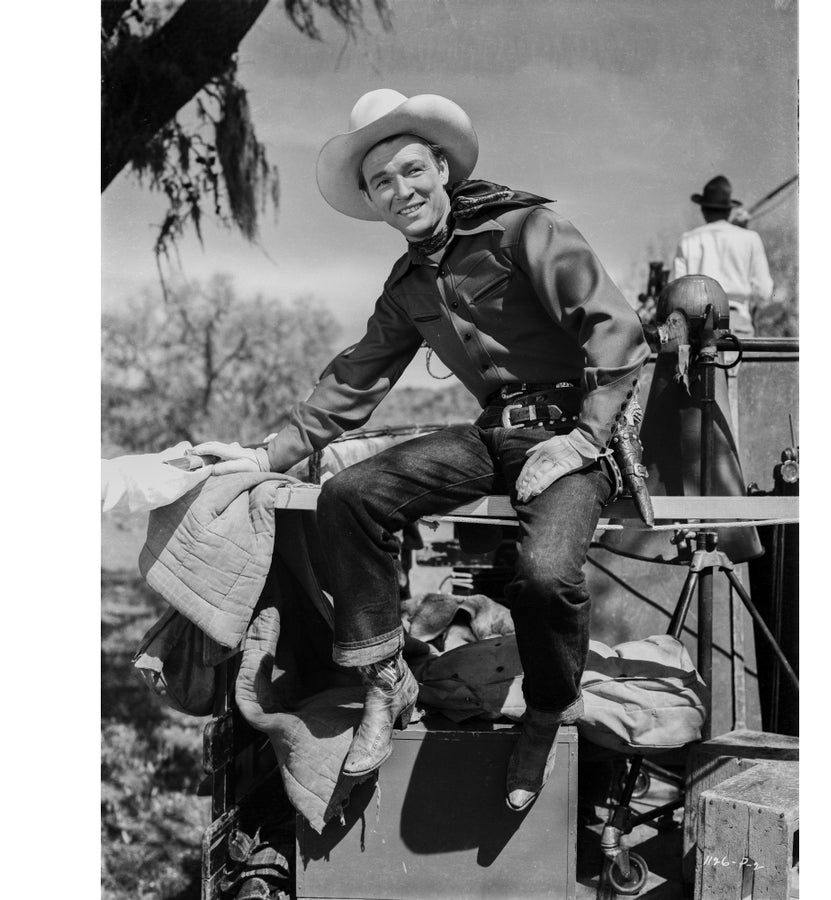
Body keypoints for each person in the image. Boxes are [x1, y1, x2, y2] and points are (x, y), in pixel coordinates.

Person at [194, 89, 649, 812]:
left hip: (570, 431)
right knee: (351, 496)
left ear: (441, 167)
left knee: (542, 578)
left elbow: (616, 330)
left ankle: (548, 708)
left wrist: (585, 438)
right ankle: (384, 678)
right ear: (373, 202)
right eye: (382, 183)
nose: (400, 191)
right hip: (492, 429)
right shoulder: (406, 286)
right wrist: (262, 458)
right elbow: (357, 375)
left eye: (411, 171)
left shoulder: (523, 227)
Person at [672, 175, 774, 340]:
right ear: (729, 210)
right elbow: (764, 291)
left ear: (703, 209)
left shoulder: (688, 239)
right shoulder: (750, 238)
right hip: (736, 324)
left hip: (697, 327)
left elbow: (676, 293)